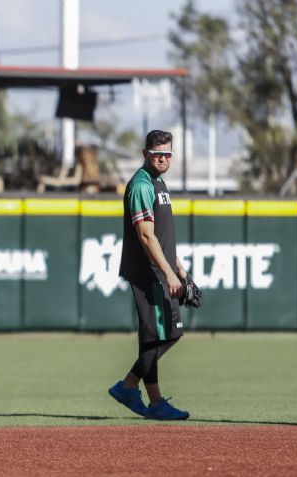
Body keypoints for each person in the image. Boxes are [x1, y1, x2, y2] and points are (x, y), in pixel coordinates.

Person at [109, 129, 190, 420]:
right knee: (164, 335)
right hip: (150, 273)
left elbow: (162, 234)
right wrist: (169, 274)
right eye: (158, 154)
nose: (164, 159)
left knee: (156, 336)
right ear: (146, 154)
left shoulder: (158, 183)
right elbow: (146, 236)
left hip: (160, 270)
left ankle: (144, 396)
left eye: (168, 154)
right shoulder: (141, 184)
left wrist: (178, 267)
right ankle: (133, 389)